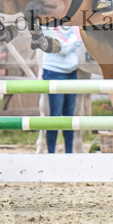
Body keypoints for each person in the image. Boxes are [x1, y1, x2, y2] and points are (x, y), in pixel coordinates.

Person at [39, 24, 82, 153]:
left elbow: (80, 40)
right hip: (53, 72)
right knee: (55, 114)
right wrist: (73, 41)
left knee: (69, 115)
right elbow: (61, 48)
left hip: (71, 71)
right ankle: (51, 152)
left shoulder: (70, 24)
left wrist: (71, 42)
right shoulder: (46, 26)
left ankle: (69, 151)